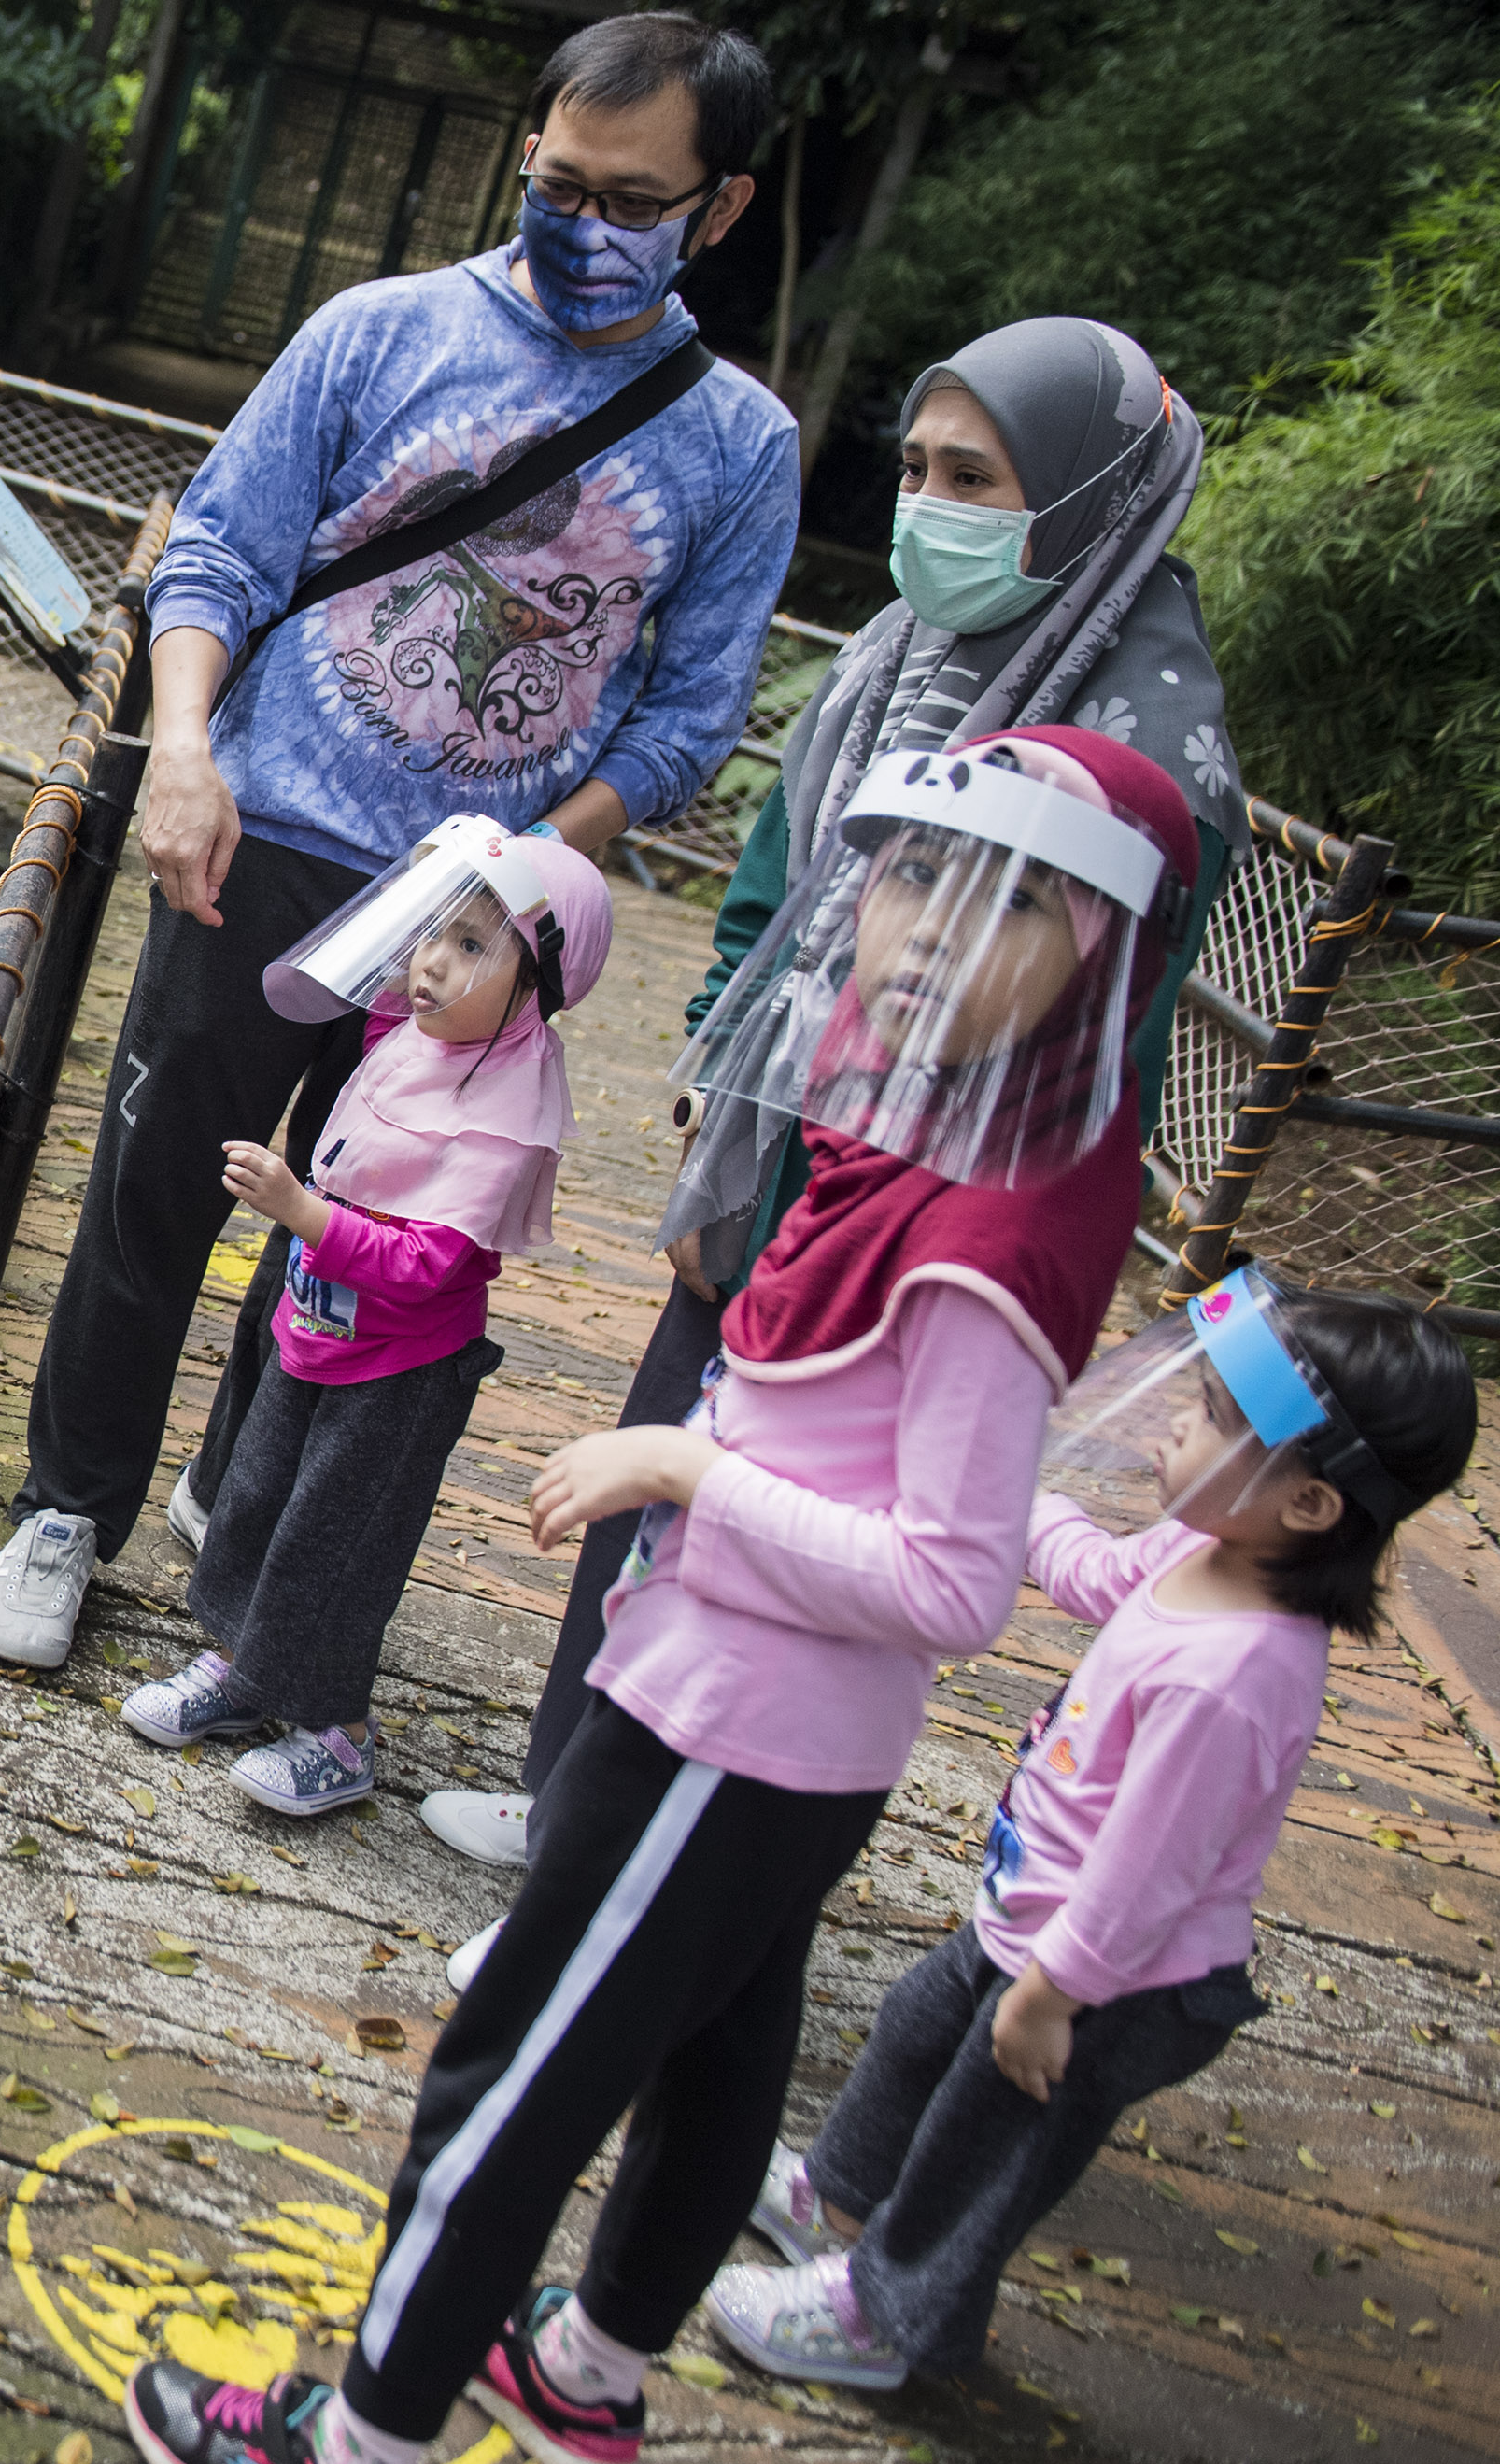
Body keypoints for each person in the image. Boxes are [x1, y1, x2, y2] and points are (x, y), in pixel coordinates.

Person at [120, 725, 1200, 2464]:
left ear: (1098, 948)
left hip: (730, 1729)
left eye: (1003, 893)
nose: (922, 922)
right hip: (757, 1718)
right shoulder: (949, 1155)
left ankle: (360, 2441)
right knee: (718, 2057)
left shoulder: (996, 1236)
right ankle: (591, 2373)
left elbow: (951, 1575)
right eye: (912, 871)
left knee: (509, 2077)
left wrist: (681, 1474)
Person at [0, 11, 799, 1669]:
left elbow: (692, 718)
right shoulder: (380, 331)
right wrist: (190, 750)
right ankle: (70, 1501)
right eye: (557, 178)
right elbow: (218, 551)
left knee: (367, 1243)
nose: (580, 218)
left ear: (719, 210)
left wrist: (510, 875)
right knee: (153, 1188)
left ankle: (237, 1494)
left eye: (631, 197)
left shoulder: (739, 444)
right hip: (259, 837)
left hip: (474, 929)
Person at [423, 314, 1241, 1891]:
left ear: (1085, 495)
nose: (926, 506)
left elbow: (1099, 1038)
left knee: (792, 1515)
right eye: (917, 467)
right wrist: (734, 1101)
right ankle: (574, 1805)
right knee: (665, 1462)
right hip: (788, 1136)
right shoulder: (896, 655)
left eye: (976, 477)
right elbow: (780, 883)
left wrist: (944, 1209)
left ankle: (665, 1851)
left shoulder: (1146, 742)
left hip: (939, 1202)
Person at [708, 1276, 1474, 2389]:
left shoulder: (1239, 1674)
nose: (1173, 1420)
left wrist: (1051, 1993)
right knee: (920, 2026)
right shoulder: (1199, 1550)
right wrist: (1014, 1491)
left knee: (988, 2143)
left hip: (1112, 1974)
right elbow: (1096, 1574)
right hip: (1043, 1922)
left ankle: (892, 2314)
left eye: (1211, 1415)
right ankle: (832, 2192)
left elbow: (1150, 1873)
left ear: (1309, 1503)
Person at [120, 823, 616, 1814]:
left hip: (397, 1367)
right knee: (256, 1493)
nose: (430, 960)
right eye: (432, 930)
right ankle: (241, 1667)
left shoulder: (504, 1104)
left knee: (335, 1540)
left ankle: (337, 1731)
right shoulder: (415, 1032)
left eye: (473, 945)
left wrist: (304, 1211)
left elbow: (433, 1262)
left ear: (540, 981)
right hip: (318, 1322)